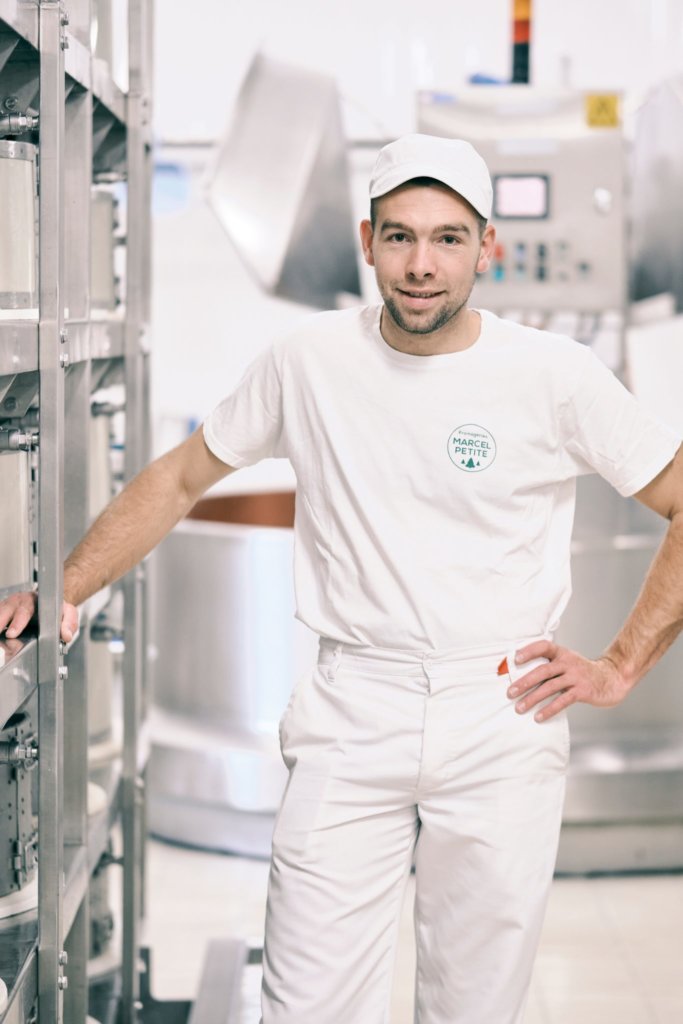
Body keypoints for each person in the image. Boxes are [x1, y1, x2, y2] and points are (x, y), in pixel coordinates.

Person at [2, 134, 683, 1023]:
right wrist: (67, 587)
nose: (420, 266)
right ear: (366, 243)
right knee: (308, 1003)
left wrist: (619, 665)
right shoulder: (308, 361)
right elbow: (179, 478)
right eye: (398, 237)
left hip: (501, 711)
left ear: (488, 248)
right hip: (351, 708)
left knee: (474, 1005)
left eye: (446, 238)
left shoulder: (551, 375)